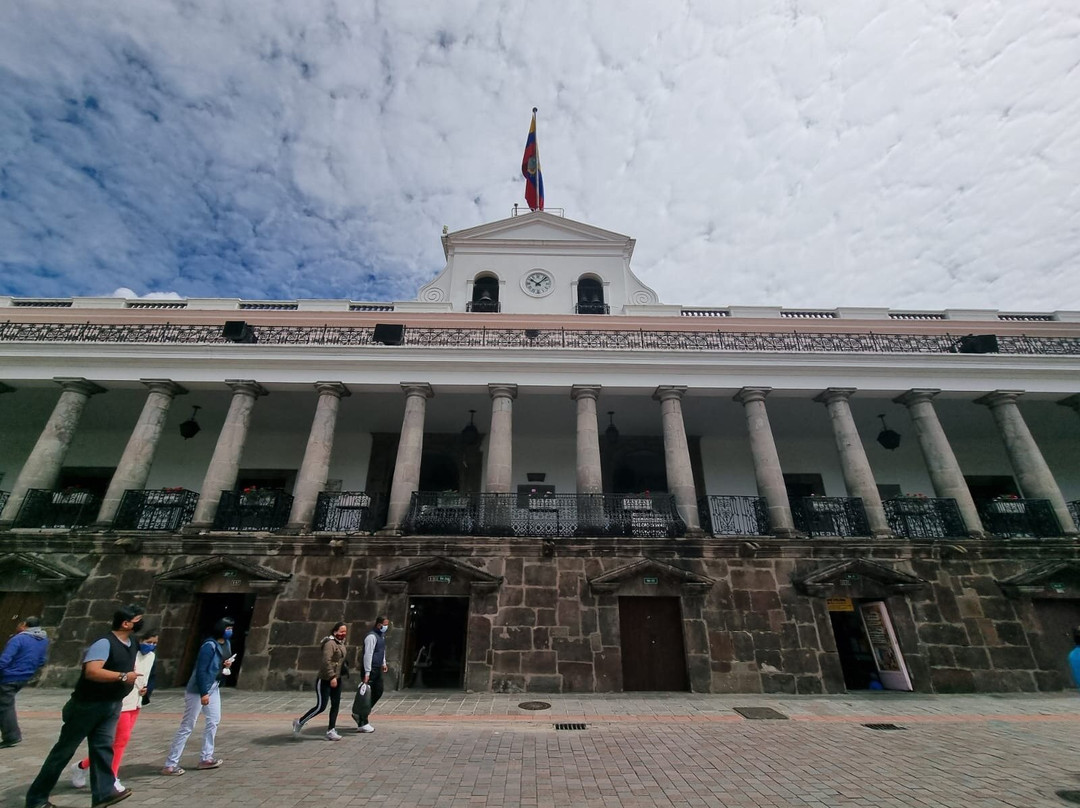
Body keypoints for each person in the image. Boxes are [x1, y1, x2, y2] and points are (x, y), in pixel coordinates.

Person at [25, 603, 143, 808]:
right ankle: (36, 799)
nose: (141, 623)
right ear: (125, 624)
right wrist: (123, 676)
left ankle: (103, 793)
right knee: (63, 752)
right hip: (87, 706)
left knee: (103, 749)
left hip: (111, 704)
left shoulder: (132, 642)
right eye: (137, 621)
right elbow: (92, 671)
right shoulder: (104, 643)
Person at [70, 632, 158, 791]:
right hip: (122, 701)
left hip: (136, 701)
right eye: (148, 641)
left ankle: (82, 766)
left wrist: (147, 690)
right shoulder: (129, 654)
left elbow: (150, 677)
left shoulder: (151, 656)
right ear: (139, 640)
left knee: (117, 742)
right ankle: (111, 777)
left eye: (154, 642)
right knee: (120, 741)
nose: (151, 645)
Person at [162, 617, 234, 775]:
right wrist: (203, 693)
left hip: (214, 686)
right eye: (227, 628)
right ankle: (170, 763)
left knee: (214, 721)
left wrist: (225, 665)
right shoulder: (209, 646)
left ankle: (206, 757)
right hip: (199, 690)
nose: (230, 631)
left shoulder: (226, 644)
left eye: (231, 628)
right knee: (187, 725)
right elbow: (201, 670)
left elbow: (218, 664)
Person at [292, 622, 348, 741]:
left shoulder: (340, 643)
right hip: (325, 679)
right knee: (321, 706)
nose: (344, 634)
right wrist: (332, 676)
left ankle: (331, 730)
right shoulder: (330, 643)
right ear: (335, 632)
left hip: (337, 679)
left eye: (345, 631)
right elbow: (326, 662)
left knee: (335, 704)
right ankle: (300, 721)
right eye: (341, 631)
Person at [0, 616, 50, 748]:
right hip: (24, 676)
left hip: (9, 676)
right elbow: (42, 660)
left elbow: (5, 659)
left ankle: (11, 736)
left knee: (5, 706)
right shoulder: (43, 640)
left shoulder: (18, 639)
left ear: (24, 625)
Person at [353, 616, 389, 733]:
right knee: (366, 695)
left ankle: (361, 714)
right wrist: (367, 672)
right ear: (379, 624)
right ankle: (362, 720)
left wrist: (383, 663)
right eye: (385, 624)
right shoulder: (371, 637)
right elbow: (368, 654)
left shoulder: (381, 636)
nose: (386, 627)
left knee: (378, 691)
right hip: (370, 669)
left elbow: (381, 650)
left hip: (377, 668)